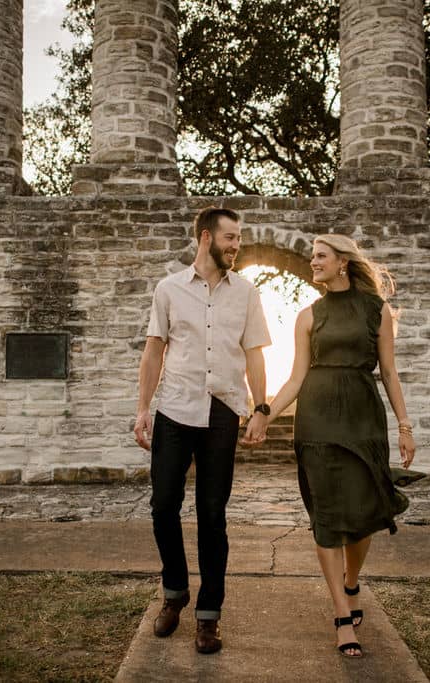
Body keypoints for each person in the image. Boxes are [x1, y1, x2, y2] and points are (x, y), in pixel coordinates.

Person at [243, 233, 415, 658]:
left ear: (343, 263)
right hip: (316, 420)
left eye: (321, 256)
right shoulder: (308, 316)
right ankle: (342, 613)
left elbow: (389, 373)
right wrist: (264, 411)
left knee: (364, 511)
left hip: (362, 418)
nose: (313, 262)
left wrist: (405, 426)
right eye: (313, 256)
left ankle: (351, 580)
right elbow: (297, 377)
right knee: (327, 514)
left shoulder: (378, 311)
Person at [134, 206, 271, 655]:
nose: (238, 245)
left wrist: (260, 408)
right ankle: (175, 593)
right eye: (231, 237)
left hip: (222, 412)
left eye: (240, 238)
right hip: (174, 408)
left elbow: (254, 354)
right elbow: (154, 352)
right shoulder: (168, 289)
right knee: (162, 506)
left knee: (213, 516)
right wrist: (142, 409)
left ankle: (208, 616)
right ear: (207, 238)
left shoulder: (246, 293)